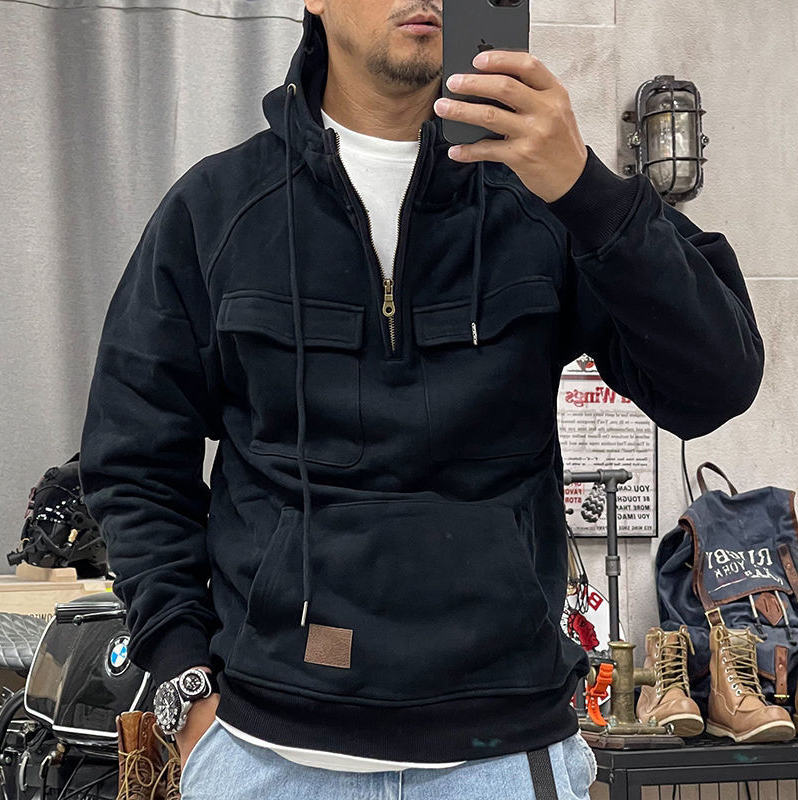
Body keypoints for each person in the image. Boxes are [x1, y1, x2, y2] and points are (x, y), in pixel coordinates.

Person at [78, 0, 764, 797]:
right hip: (265, 754)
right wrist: (183, 677)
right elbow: (133, 459)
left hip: (504, 753)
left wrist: (585, 188)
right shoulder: (218, 209)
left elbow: (716, 383)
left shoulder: (541, 198)